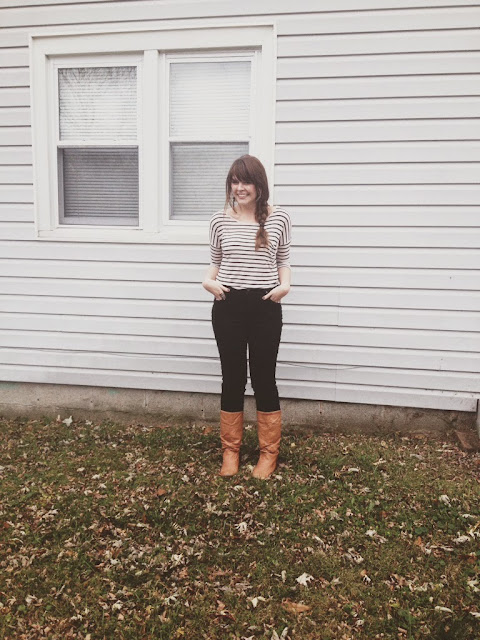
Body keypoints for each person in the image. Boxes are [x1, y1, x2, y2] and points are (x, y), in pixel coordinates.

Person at [202, 155, 292, 479]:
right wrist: (207, 282)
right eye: (235, 181)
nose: (240, 188)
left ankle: (269, 454)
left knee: (264, 378)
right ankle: (231, 451)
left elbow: (283, 260)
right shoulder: (218, 220)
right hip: (228, 305)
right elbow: (215, 261)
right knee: (233, 378)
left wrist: (285, 286)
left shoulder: (279, 218)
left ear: (259, 185)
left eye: (246, 181)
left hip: (265, 305)